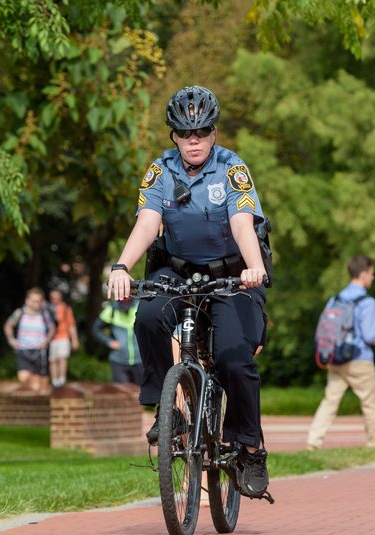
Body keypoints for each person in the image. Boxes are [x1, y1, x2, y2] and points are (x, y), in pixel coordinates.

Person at [107, 86, 271, 499]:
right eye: (185, 134)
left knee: (235, 356)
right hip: (177, 270)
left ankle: (249, 446)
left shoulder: (232, 168)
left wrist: (254, 267)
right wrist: (122, 265)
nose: (193, 141)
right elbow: (147, 222)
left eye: (201, 133)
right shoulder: (160, 171)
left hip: (233, 274)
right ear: (174, 137)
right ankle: (168, 412)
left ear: (214, 133)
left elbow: (241, 223)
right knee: (146, 316)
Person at [306, 256, 375, 450]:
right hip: (359, 359)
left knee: (330, 401)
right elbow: (370, 336)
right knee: (369, 402)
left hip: (336, 358)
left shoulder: (336, 298)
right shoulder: (367, 302)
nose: (373, 278)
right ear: (364, 273)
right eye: (372, 274)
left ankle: (313, 441)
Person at [4, 287, 56, 393]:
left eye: (39, 301)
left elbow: (52, 328)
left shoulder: (44, 314)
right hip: (23, 350)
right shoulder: (19, 313)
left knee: (38, 387)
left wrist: (46, 341)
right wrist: (11, 340)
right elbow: (8, 325)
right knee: (23, 378)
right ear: (27, 300)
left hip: (39, 352)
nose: (37, 303)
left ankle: (41, 394)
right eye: (34, 301)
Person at [93, 299, 143, 385]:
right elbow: (96, 330)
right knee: (122, 394)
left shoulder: (141, 307)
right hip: (118, 360)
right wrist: (109, 341)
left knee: (140, 394)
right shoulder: (111, 309)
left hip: (140, 360)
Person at [48, 288, 79, 388]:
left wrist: (74, 339)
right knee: (53, 360)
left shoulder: (66, 308)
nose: (55, 300)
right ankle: (54, 381)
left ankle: (62, 380)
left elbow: (71, 325)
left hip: (63, 336)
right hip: (51, 338)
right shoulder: (48, 308)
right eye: (53, 298)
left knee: (62, 358)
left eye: (57, 298)